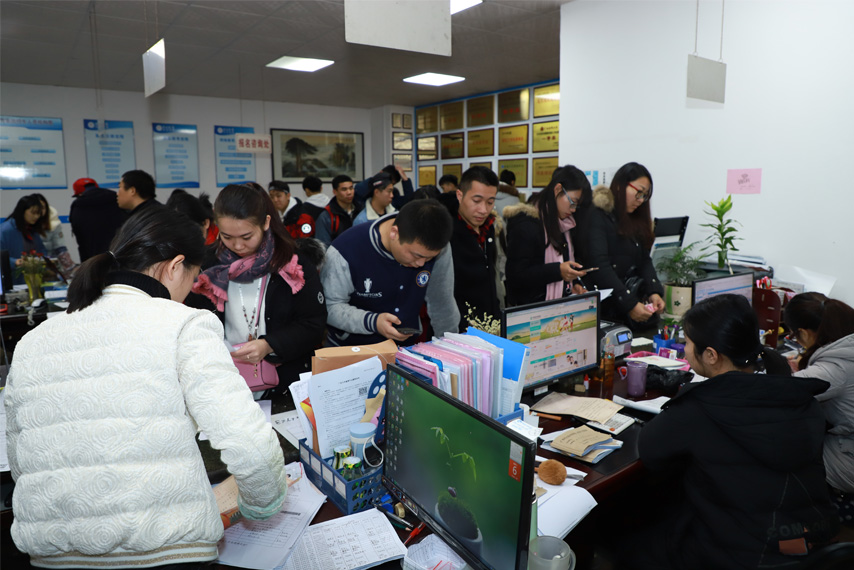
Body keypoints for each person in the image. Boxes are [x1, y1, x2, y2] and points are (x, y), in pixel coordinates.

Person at [4, 206, 287, 569]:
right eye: (193, 278)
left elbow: (20, 458)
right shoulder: (183, 324)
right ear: (175, 266)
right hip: (163, 552)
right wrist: (262, 504)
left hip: (51, 555)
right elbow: (248, 441)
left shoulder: (34, 340)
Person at [629, 294, 839, 570]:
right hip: (805, 543)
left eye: (687, 343)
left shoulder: (699, 409)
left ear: (711, 355)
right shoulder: (798, 396)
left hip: (736, 555)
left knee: (634, 543)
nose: (684, 350)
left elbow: (650, 452)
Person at [192, 183, 327, 393]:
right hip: (224, 382)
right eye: (227, 237)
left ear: (265, 223)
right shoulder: (208, 265)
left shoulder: (293, 265)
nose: (238, 246)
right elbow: (195, 321)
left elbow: (313, 324)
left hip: (284, 384)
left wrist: (269, 345)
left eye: (247, 237)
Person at [321, 199, 459, 346]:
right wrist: (373, 321)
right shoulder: (345, 250)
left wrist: (451, 348)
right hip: (349, 349)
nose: (421, 264)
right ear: (394, 233)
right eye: (417, 256)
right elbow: (329, 306)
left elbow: (442, 304)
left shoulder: (436, 247)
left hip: (405, 350)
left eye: (429, 258)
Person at [576, 162, 664, 328]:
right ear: (620, 185)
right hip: (605, 311)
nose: (641, 200)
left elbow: (644, 260)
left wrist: (654, 291)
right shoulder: (598, 214)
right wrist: (629, 303)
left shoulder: (635, 219)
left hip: (629, 306)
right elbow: (600, 264)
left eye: (645, 195)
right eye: (638, 192)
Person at [784, 292, 854, 497]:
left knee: (781, 451)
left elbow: (779, 393)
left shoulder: (833, 369)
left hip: (849, 459)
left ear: (804, 333)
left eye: (793, 336)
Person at [504, 165, 591, 306]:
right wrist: (557, 271)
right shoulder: (527, 224)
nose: (573, 209)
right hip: (531, 311)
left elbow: (564, 262)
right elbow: (516, 275)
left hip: (558, 308)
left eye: (577, 205)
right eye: (572, 202)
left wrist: (572, 285)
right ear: (558, 189)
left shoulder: (564, 225)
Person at [440, 166, 501, 331]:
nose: (484, 210)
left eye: (490, 202)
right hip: (458, 331)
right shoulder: (445, 233)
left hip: (489, 326)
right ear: (460, 195)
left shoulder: (488, 227)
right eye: (476, 201)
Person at [69, 177, 127, 261]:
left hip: (94, 259)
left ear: (80, 193)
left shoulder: (78, 205)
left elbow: (80, 239)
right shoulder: (116, 198)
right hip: (121, 254)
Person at [0, 194, 47, 284]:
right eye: (33, 213)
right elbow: (1, 257)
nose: (36, 217)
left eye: (38, 213)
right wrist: (15, 262)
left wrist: (41, 260)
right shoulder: (5, 230)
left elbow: (41, 250)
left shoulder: (32, 229)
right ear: (22, 211)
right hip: (12, 281)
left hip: (32, 279)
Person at [165, 189, 218, 268]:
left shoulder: (219, 257)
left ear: (205, 223)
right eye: (176, 233)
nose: (185, 241)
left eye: (191, 232)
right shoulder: (164, 259)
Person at [33, 193, 76, 276]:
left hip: (51, 266)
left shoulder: (54, 223)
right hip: (31, 267)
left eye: (43, 207)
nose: (41, 211)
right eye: (38, 208)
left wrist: (71, 268)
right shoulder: (26, 225)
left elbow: (60, 247)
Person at [316, 174, 359, 246]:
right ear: (335, 192)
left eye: (351, 188)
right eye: (344, 189)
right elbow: (323, 246)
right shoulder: (326, 216)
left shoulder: (360, 210)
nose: (349, 192)